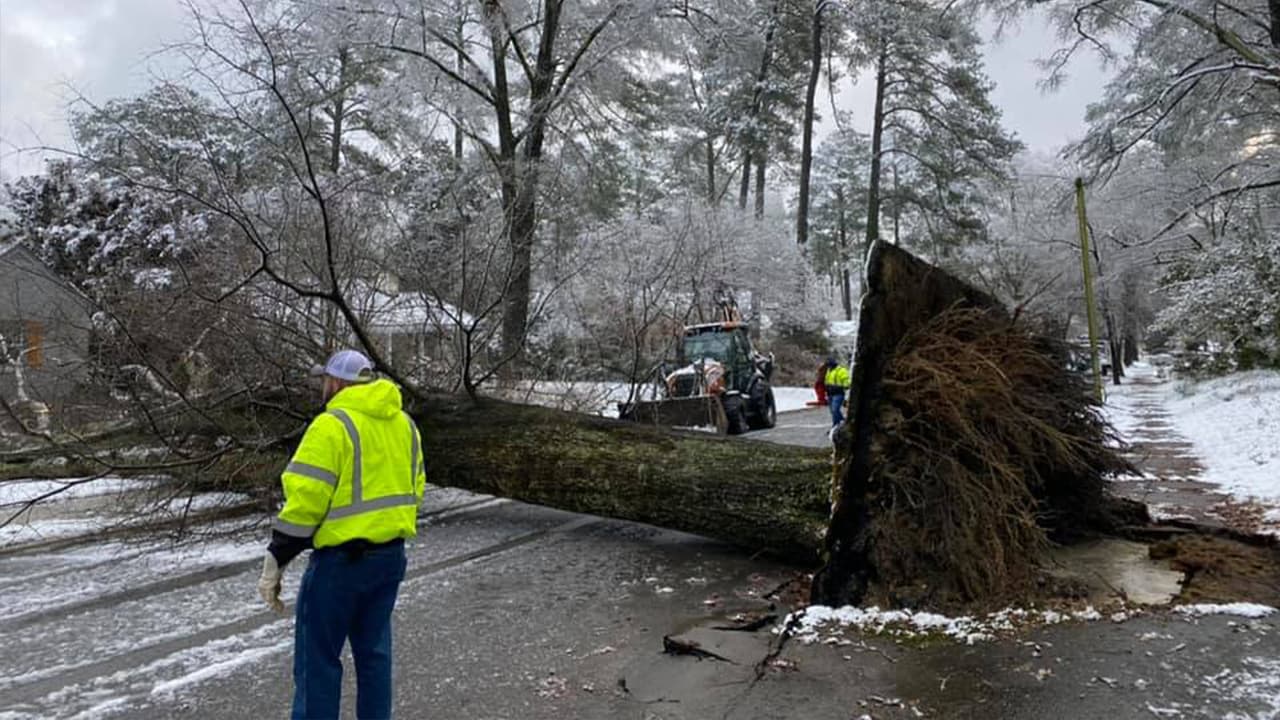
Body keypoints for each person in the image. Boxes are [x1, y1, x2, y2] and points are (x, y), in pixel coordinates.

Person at [257, 349, 426, 720]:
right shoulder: (406, 426)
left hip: (340, 566)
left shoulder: (331, 426)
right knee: (374, 658)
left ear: (337, 383)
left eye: (325, 380)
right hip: (390, 559)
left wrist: (276, 559)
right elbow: (415, 490)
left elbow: (305, 502)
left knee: (318, 663)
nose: (322, 387)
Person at [823, 355, 851, 428]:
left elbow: (847, 381)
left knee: (835, 409)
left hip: (838, 393)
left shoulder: (841, 370)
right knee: (833, 411)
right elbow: (827, 381)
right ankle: (842, 422)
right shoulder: (829, 371)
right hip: (830, 394)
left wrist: (843, 386)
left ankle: (835, 426)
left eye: (829, 364)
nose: (828, 366)